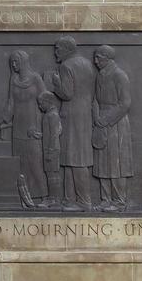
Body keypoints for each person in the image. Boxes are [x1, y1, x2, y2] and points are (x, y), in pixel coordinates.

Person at [0, 50, 47, 208]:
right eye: (12, 62)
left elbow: (46, 100)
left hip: (33, 127)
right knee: (20, 164)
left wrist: (46, 126)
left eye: (16, 61)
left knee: (36, 163)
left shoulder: (36, 79)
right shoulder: (14, 79)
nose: (13, 65)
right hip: (18, 126)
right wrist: (3, 120)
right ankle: (25, 197)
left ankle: (45, 197)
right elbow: (11, 102)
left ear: (23, 62)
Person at [50, 36, 96, 211]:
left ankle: (84, 201)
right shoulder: (86, 64)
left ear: (67, 49)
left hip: (72, 115)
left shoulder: (66, 66)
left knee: (76, 159)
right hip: (84, 114)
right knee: (71, 159)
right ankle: (69, 199)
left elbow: (67, 93)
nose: (56, 52)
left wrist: (55, 84)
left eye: (58, 49)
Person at [92, 45, 134, 211]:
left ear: (108, 59)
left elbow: (125, 103)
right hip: (101, 120)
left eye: (98, 58)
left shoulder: (119, 75)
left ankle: (119, 202)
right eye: (95, 58)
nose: (95, 61)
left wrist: (107, 119)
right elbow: (94, 99)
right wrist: (97, 117)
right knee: (102, 163)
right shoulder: (100, 75)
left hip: (116, 123)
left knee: (116, 163)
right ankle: (105, 199)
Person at [38, 91, 62, 209]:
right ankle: (52, 197)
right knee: (50, 174)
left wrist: (50, 151)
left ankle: (54, 199)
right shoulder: (51, 114)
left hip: (51, 150)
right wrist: (39, 135)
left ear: (48, 102)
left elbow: (54, 135)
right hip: (49, 149)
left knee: (52, 175)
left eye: (41, 103)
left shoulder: (52, 115)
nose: (39, 106)